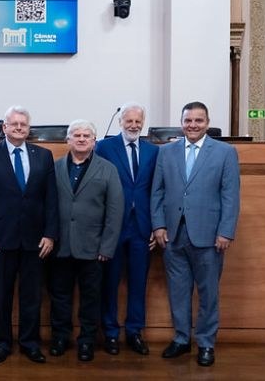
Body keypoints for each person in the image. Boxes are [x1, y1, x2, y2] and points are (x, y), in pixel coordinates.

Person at [151, 101, 240, 367]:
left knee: (208, 293)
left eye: (198, 121)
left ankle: (205, 343)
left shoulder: (225, 152)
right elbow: (157, 192)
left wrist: (225, 231)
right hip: (173, 235)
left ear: (207, 123)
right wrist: (158, 226)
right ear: (181, 123)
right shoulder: (166, 152)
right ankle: (181, 339)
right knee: (178, 292)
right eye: (188, 121)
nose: (192, 125)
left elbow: (230, 196)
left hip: (209, 236)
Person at [0, 105, 58, 364]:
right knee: (1, 294)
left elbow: (51, 199)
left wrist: (51, 234)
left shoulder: (44, 156)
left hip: (35, 239)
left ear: (29, 129)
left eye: (24, 124)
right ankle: (1, 343)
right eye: (14, 124)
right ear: (4, 127)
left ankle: (30, 343)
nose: (19, 128)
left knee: (32, 296)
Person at [49, 119, 123, 362]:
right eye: (76, 135)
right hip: (60, 246)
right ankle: (60, 337)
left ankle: (87, 341)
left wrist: (107, 247)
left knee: (91, 299)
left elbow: (115, 211)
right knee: (60, 296)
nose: (81, 139)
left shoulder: (107, 169)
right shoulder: (56, 167)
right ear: (68, 140)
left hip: (94, 247)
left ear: (94, 141)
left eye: (86, 136)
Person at [95, 103, 158, 356]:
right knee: (109, 283)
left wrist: (156, 225)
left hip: (142, 227)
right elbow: (97, 188)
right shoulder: (104, 147)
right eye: (128, 121)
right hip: (113, 226)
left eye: (137, 121)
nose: (133, 125)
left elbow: (157, 190)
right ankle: (110, 333)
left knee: (138, 283)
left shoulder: (154, 152)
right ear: (120, 122)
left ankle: (134, 332)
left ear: (143, 123)